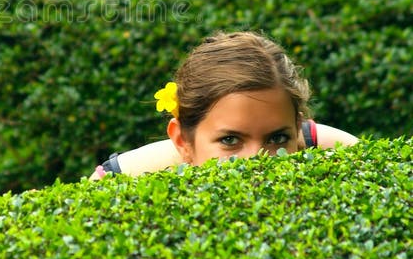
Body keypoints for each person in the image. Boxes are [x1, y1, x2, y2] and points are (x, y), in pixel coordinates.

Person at [90, 30, 359, 180]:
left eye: (278, 137)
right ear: (183, 140)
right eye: (230, 140)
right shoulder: (116, 182)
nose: (258, 162)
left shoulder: (341, 152)